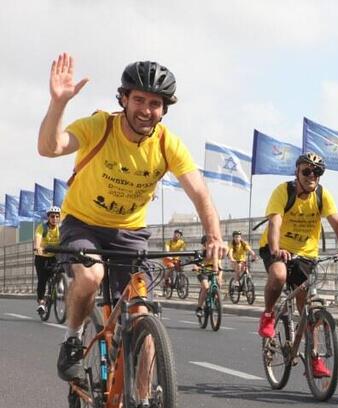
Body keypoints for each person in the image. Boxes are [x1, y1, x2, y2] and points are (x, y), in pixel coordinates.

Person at [38, 54, 225, 383]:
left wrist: (214, 236)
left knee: (143, 319)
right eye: (138, 99)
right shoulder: (100, 126)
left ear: (164, 109)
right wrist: (58, 104)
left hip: (130, 233)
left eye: (155, 103)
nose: (145, 109)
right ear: (123, 99)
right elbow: (49, 147)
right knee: (92, 276)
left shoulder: (168, 143)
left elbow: (199, 191)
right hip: (83, 224)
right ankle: (73, 338)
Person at [256, 152, 338, 378]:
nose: (312, 176)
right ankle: (269, 315)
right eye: (307, 171)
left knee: (308, 308)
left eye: (317, 172)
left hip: (306, 255)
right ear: (297, 172)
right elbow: (275, 222)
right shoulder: (284, 191)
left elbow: (337, 222)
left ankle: (314, 359)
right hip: (278, 247)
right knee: (280, 275)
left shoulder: (322, 195)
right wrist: (275, 250)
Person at [33, 206, 63, 314]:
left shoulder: (60, 229)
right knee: (42, 280)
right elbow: (38, 237)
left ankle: (60, 282)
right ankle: (41, 302)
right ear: (48, 217)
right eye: (52, 216)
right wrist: (37, 247)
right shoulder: (42, 227)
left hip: (54, 257)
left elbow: (66, 240)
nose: (55, 219)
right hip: (42, 257)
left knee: (63, 268)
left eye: (57, 217)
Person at [195, 234, 220, 318]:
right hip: (203, 272)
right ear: (204, 244)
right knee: (205, 287)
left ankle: (216, 301)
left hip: (212, 271)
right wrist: (197, 267)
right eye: (207, 242)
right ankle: (199, 308)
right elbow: (196, 264)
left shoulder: (215, 251)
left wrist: (218, 269)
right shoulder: (200, 253)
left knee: (218, 284)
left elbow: (217, 262)